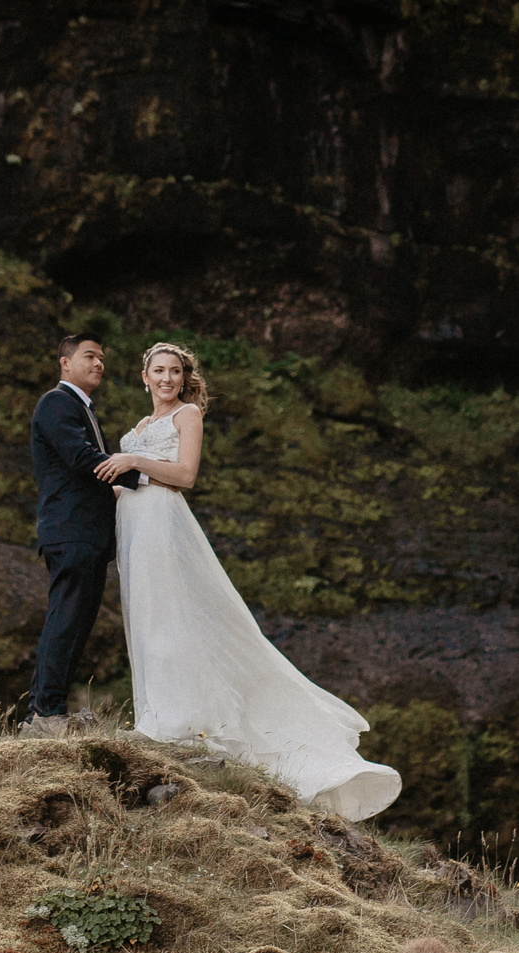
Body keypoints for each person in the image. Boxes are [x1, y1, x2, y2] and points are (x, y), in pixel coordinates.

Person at [93, 341, 400, 820]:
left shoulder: (187, 415)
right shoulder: (142, 425)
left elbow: (185, 475)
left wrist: (133, 463)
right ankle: (155, 713)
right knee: (148, 616)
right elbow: (133, 480)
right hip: (134, 525)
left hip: (163, 524)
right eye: (159, 371)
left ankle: (178, 720)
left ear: (183, 378)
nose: (167, 378)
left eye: (175, 371)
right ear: (144, 376)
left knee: (172, 614)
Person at [20, 332, 138, 736]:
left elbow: (88, 473)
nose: (99, 363)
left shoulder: (80, 407)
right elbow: (81, 458)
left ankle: (42, 711)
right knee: (66, 620)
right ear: (65, 362)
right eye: (89, 356)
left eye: (102, 358)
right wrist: (142, 476)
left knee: (73, 621)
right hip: (71, 530)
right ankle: (47, 711)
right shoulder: (57, 403)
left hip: (85, 534)